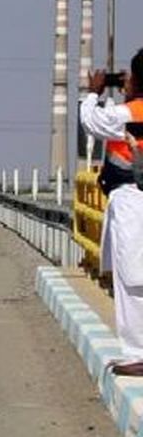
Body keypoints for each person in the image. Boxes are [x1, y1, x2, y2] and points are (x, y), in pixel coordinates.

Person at [81, 48, 143, 375]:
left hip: (134, 201)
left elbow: (91, 120)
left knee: (132, 278)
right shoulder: (129, 111)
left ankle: (137, 354)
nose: (126, 81)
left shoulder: (129, 114)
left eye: (131, 76)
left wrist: (94, 91)